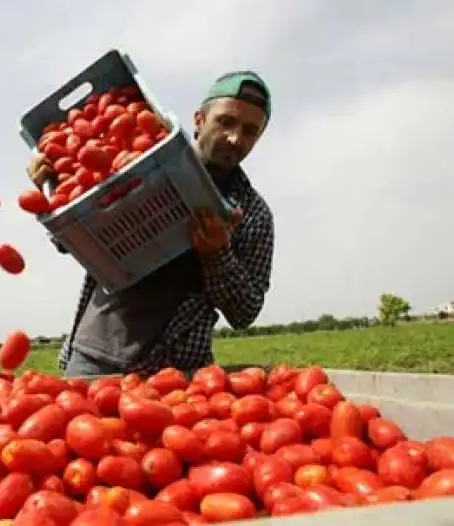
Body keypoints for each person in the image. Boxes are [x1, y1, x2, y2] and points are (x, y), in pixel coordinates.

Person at [27, 71, 275, 377]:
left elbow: (245, 311)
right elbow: (69, 243)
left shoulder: (253, 215)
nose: (235, 138)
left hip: (178, 369)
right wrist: (54, 190)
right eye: (225, 122)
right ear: (199, 120)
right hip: (97, 357)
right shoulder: (137, 159)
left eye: (250, 131)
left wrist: (217, 255)